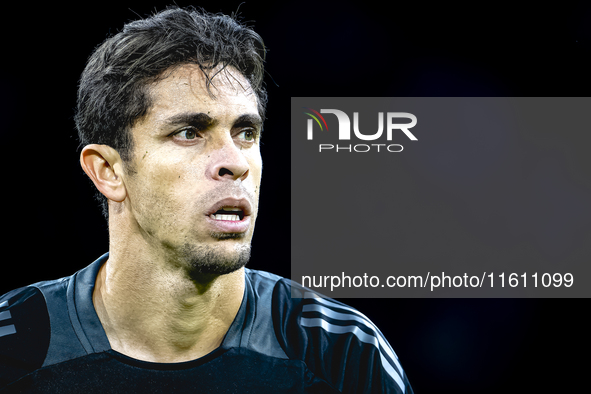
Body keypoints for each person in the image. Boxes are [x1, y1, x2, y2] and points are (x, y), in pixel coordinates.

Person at [0, 6, 413, 393]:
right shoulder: (11, 350)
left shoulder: (341, 352)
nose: (235, 162)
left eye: (246, 133)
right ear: (108, 171)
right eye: (189, 133)